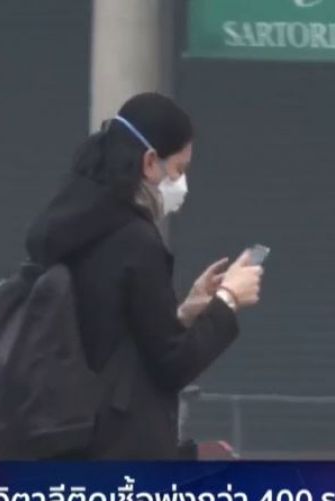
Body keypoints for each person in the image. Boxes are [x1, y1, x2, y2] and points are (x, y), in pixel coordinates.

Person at [24, 92, 262, 462]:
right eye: (179, 170)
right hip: (120, 452)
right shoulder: (136, 241)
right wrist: (228, 300)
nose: (182, 185)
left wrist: (184, 313)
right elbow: (172, 365)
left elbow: (116, 337)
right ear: (150, 162)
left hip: (70, 440)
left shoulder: (74, 227)